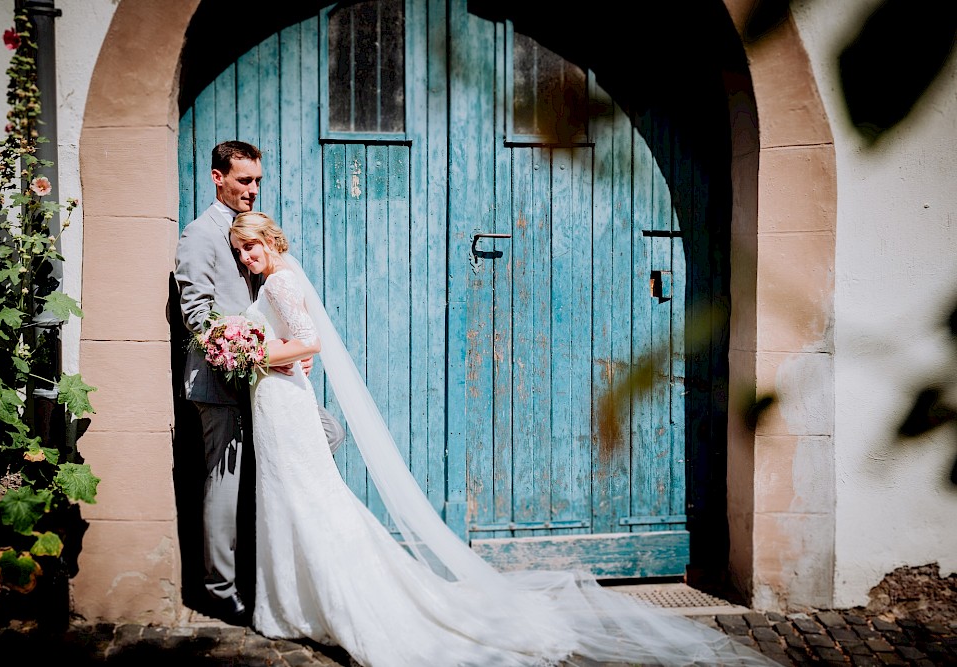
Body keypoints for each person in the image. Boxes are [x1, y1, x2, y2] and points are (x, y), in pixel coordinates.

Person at [229, 210, 780, 667]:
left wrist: (251, 353)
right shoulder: (282, 277)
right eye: (242, 254)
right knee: (294, 501)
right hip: (280, 403)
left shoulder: (279, 279)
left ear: (270, 241)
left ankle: (310, 605)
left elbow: (309, 343)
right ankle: (295, 603)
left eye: (253, 248)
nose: (249, 259)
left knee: (307, 501)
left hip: (284, 401)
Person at [174, 141, 345, 624]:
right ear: (217, 177)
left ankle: (274, 565)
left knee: (326, 433)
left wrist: (288, 351)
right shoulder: (199, 234)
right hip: (220, 381)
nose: (253, 189)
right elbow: (197, 315)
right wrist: (249, 354)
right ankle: (219, 589)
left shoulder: (247, 234)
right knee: (223, 484)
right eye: (244, 180)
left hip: (263, 380)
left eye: (257, 181)